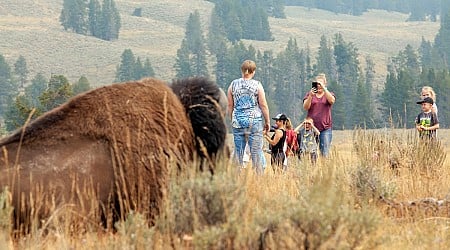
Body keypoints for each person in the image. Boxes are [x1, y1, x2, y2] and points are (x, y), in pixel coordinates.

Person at [228, 60, 270, 174]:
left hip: (237, 121)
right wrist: (267, 121)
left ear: (242, 70)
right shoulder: (257, 85)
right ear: (254, 71)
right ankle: (259, 177)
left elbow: (230, 105)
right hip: (254, 121)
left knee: (238, 151)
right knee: (256, 151)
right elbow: (263, 104)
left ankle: (235, 176)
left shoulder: (233, 85)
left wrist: (232, 118)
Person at [302, 73, 336, 157]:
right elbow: (305, 107)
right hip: (311, 128)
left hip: (325, 128)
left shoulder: (328, 94)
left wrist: (324, 89)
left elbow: (332, 101)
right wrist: (310, 96)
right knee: (310, 152)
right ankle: (312, 168)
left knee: (324, 152)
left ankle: (324, 168)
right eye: (317, 84)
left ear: (325, 84)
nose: (319, 86)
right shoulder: (310, 94)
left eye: (321, 84)